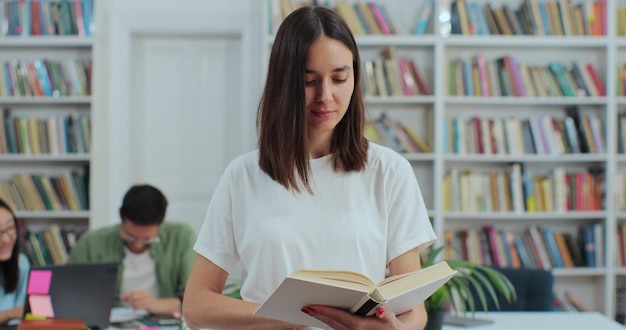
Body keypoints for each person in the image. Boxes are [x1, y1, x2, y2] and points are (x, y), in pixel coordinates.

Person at [183, 6, 436, 330]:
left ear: (355, 77)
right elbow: (196, 305)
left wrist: (395, 328)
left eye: (340, 78)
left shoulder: (390, 171)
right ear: (283, 83)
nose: (326, 96)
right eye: (308, 81)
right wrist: (290, 315)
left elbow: (414, 311)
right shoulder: (242, 176)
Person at [68, 184, 196, 316]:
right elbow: (68, 291)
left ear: (160, 224)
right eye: (130, 237)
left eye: (147, 239)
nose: (138, 245)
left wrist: (156, 304)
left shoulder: (182, 238)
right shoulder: (91, 242)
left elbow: (196, 302)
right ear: (121, 218)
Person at [0, 199, 29, 324]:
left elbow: (25, 312)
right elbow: (17, 312)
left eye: (10, 227)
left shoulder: (21, 263)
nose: (6, 239)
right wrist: (9, 314)